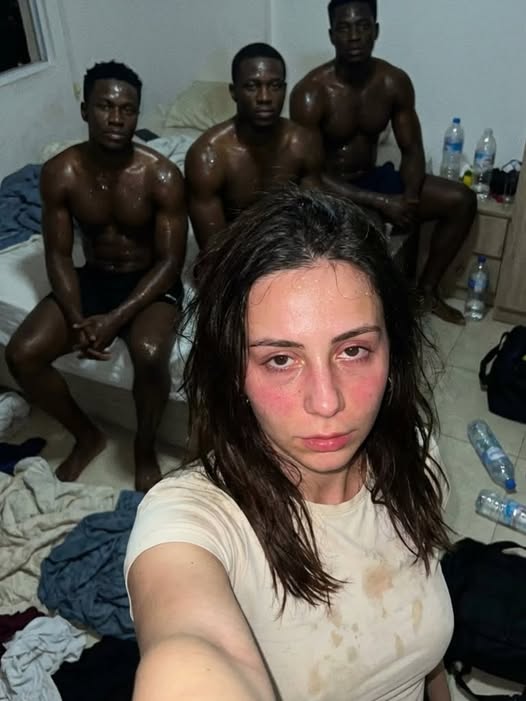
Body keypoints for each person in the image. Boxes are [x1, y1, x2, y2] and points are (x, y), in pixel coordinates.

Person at [125, 185, 454, 701]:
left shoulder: (415, 453)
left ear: (393, 352)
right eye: (280, 359)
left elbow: (426, 663)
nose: (326, 402)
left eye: (353, 350)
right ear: (234, 373)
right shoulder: (192, 520)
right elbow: (188, 648)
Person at [6, 61, 187, 493]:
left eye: (128, 109)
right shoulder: (61, 172)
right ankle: (87, 436)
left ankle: (144, 446)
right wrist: (76, 318)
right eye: (106, 107)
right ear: (86, 110)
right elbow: (58, 253)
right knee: (22, 354)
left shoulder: (161, 175)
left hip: (150, 284)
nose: (117, 118)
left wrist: (114, 320)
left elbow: (170, 263)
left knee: (149, 353)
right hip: (94, 279)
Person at [290, 0, 477, 326]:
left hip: (373, 178)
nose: (354, 36)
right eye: (344, 28)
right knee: (371, 228)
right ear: (332, 35)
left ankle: (426, 292)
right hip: (330, 190)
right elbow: (311, 174)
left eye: (362, 26)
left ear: (375, 31)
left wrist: (410, 199)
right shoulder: (311, 92)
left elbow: (413, 150)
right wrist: (382, 203)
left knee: (461, 199)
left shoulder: (393, 82)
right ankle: (370, 320)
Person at [185, 43, 323, 249]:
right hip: (233, 253)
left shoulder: (303, 143)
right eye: (252, 86)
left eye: (275, 86)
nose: (264, 98)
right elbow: (213, 249)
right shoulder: (208, 156)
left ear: (284, 89)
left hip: (289, 247)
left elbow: (314, 222)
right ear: (234, 92)